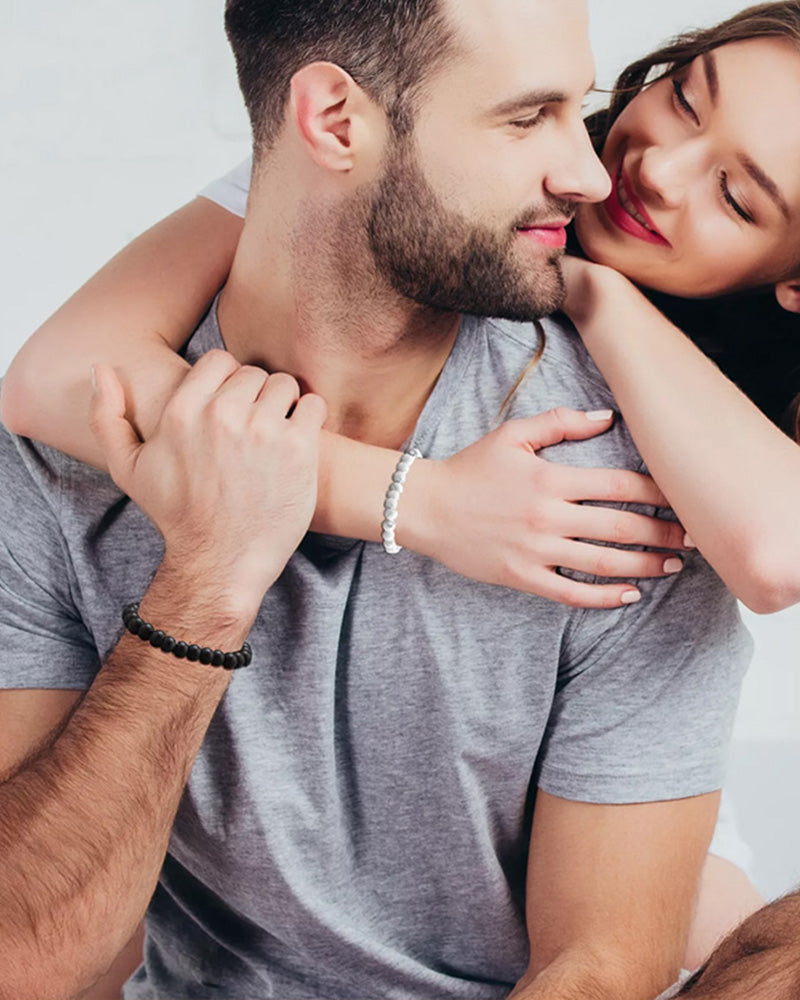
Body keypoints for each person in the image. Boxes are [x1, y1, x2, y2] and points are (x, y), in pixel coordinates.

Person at [5, 1, 798, 986]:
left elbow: (776, 550)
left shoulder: (657, 460)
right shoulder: (403, 178)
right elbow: (57, 377)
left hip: (638, 813)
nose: (637, 170)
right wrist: (414, 503)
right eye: (682, 96)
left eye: (737, 196)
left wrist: (592, 291)